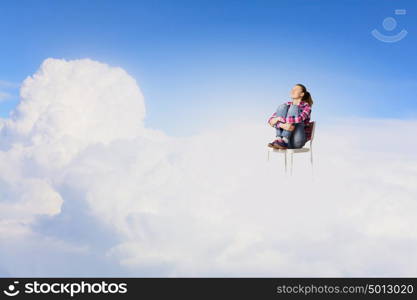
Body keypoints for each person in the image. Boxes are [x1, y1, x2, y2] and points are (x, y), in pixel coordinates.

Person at [267, 83, 313, 149]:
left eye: (296, 90)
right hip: (282, 143)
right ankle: (279, 139)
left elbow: (299, 119)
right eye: (292, 89)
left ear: (302, 94)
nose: (292, 91)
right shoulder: (286, 105)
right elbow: (270, 120)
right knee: (282, 107)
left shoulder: (306, 106)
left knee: (294, 108)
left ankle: (284, 140)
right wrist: (282, 125)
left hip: (296, 141)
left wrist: (279, 120)